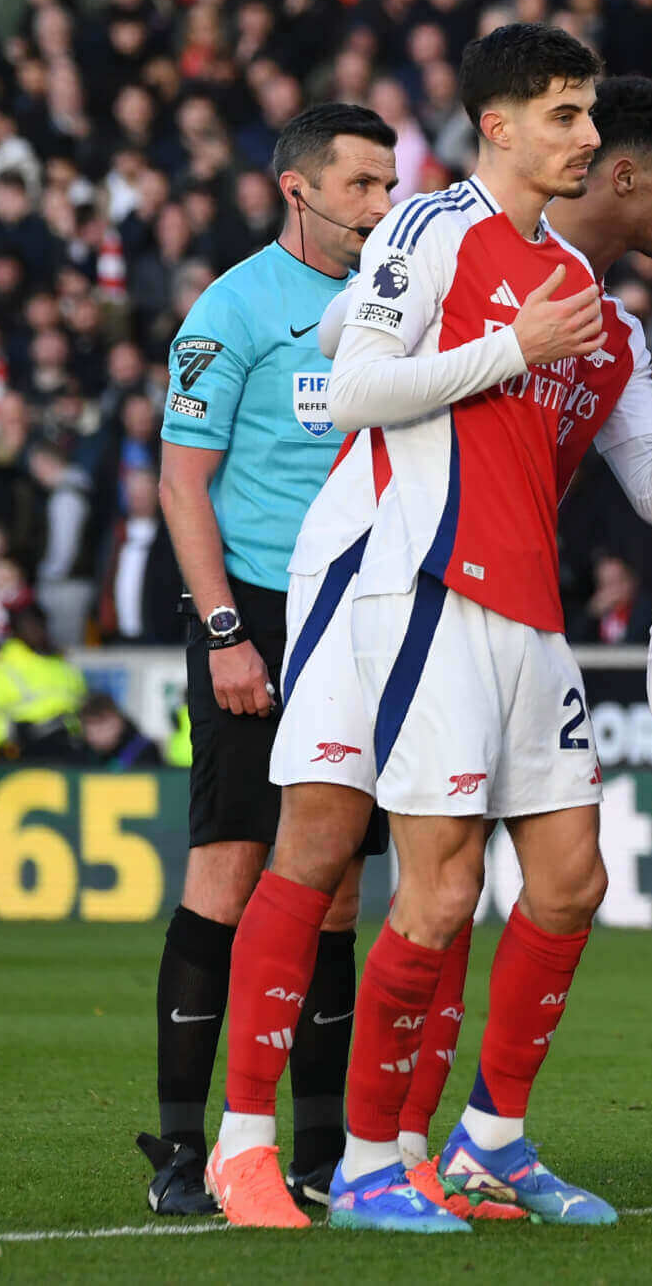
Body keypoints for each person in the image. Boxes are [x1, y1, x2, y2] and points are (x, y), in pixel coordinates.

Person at [212, 27, 652, 1233]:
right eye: (565, 114)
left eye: (592, 115)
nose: (589, 135)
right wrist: (507, 347)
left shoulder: (588, 297)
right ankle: (283, 1147)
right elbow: (348, 386)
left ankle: (477, 1140)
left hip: (518, 598)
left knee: (569, 878)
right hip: (396, 572)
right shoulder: (432, 227)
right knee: (340, 845)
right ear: (497, 125)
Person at [139, 102, 400, 1221]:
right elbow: (180, 484)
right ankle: (183, 1149)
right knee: (232, 867)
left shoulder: (396, 297)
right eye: (360, 188)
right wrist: (222, 633)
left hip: (363, 609)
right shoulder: (232, 307)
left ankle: (320, 1146)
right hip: (254, 610)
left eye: (389, 186)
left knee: (338, 885)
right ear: (298, 189)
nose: (380, 209)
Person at [0, 603, 85, 759]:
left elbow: (81, 708)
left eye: (39, 625)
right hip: (23, 752)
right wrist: (15, 730)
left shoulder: (63, 666)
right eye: (28, 626)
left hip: (67, 747)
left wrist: (68, 726)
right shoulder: (3, 667)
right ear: (16, 631)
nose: (36, 631)